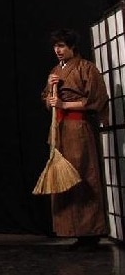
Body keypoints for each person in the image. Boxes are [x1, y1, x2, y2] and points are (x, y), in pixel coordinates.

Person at [42, 28, 109, 251]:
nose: (58, 50)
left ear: (72, 47)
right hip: (59, 128)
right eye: (55, 46)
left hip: (77, 127)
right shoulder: (54, 71)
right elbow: (48, 102)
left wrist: (63, 105)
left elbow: (96, 100)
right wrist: (51, 90)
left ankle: (90, 232)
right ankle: (70, 229)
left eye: (62, 46)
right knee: (63, 177)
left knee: (82, 173)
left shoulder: (86, 68)